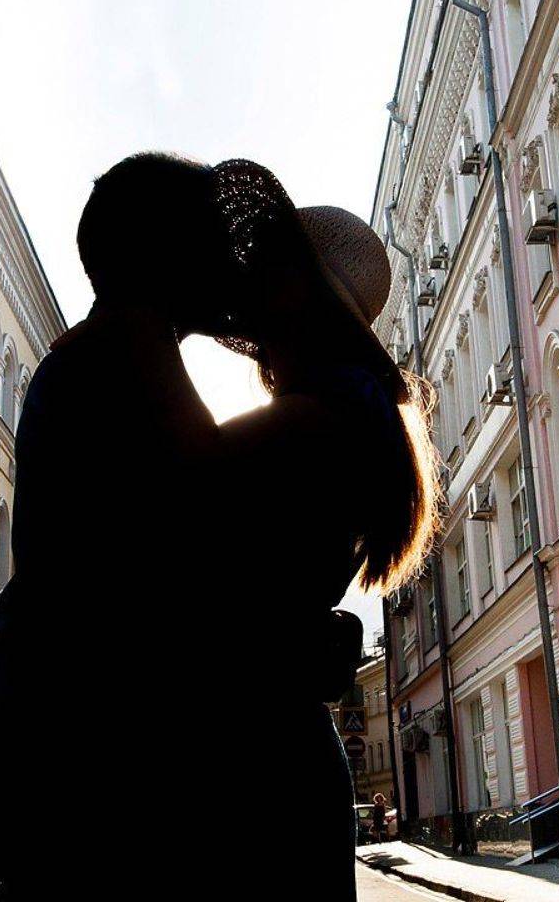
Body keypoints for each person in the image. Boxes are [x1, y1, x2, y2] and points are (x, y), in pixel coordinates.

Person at [0, 152, 246, 898]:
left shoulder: (106, 351)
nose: (227, 259)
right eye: (210, 238)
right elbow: (220, 531)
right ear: (165, 253)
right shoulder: (131, 354)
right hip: (88, 763)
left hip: (57, 746)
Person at [200, 160, 440, 899]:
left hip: (258, 767)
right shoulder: (350, 408)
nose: (251, 286)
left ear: (301, 293)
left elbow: (174, 470)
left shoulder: (320, 417)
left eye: (269, 270)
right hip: (279, 752)